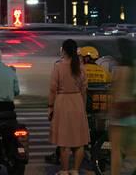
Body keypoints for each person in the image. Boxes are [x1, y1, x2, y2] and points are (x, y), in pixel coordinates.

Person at [48, 39, 90, 175]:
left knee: (63, 141)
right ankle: (75, 170)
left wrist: (50, 106)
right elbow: (84, 90)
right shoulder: (81, 67)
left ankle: (64, 170)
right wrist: (82, 107)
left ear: (64, 50)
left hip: (62, 102)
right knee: (79, 140)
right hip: (77, 101)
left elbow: (53, 89)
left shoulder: (59, 67)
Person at [108, 38, 136, 175]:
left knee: (115, 150)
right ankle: (129, 170)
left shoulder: (119, 66)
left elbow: (114, 91)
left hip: (119, 112)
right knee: (134, 150)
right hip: (135, 113)